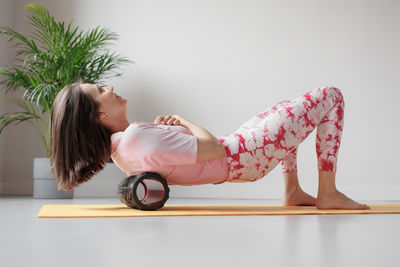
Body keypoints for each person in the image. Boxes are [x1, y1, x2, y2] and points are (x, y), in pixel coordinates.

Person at [50, 82, 370, 210]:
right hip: (243, 155)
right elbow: (214, 148)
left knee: (291, 108)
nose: (111, 87)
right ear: (100, 114)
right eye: (101, 89)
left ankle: (293, 191)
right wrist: (183, 121)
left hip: (242, 155)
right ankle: (328, 192)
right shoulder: (133, 137)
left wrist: (167, 129)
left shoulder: (122, 151)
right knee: (331, 96)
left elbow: (182, 157)